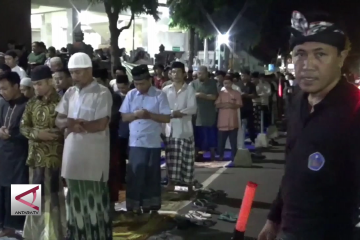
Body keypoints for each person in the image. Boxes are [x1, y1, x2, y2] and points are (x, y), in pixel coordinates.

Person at [258, 10, 360, 240]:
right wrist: (274, 219)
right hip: (290, 230)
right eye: (300, 54)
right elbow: (293, 170)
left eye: (320, 54)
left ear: (341, 58)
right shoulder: (298, 102)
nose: (308, 64)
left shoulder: (354, 111)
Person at [55, 53, 113, 240]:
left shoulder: (102, 92)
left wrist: (75, 125)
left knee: (94, 200)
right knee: (72, 199)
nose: (75, 77)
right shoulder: (69, 93)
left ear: (89, 70)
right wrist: (71, 124)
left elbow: (100, 124)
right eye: (72, 73)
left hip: (92, 156)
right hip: (65, 157)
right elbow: (58, 120)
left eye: (78, 72)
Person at [20, 65, 66, 239]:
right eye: (34, 85)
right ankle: (30, 234)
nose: (36, 88)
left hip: (55, 157)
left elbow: (65, 128)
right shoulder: (31, 103)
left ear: (50, 81)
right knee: (29, 196)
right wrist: (38, 134)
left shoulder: (62, 102)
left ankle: (55, 234)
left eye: (39, 84)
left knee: (53, 197)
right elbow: (23, 127)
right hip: (33, 157)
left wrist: (53, 134)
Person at [120, 64, 171, 215]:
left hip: (153, 142)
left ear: (150, 80)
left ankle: (151, 206)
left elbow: (166, 117)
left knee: (152, 175)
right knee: (136, 174)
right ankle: (134, 206)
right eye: (136, 84)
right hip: (135, 142)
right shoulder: (131, 95)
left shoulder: (159, 95)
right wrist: (136, 115)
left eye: (142, 83)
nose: (139, 86)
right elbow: (124, 117)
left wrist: (149, 115)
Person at [0, 72, 29, 239]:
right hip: (4, 153)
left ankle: (24, 228)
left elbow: (30, 130)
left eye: (5, 88)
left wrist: (12, 134)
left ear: (16, 87)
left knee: (23, 186)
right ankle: (6, 227)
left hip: (23, 153)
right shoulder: (3, 104)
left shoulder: (29, 105)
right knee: (4, 189)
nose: (2, 92)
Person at [163, 61, 197, 191]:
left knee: (187, 161)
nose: (175, 74)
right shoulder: (166, 90)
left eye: (178, 72)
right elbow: (162, 108)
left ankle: (188, 187)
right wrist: (173, 113)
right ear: (170, 74)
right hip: (170, 131)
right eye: (173, 72)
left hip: (185, 131)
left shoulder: (190, 89)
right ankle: (171, 186)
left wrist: (178, 113)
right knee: (171, 161)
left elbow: (193, 109)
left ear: (184, 74)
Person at [191, 66, 218, 160]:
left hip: (209, 114)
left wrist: (203, 96)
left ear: (206, 73)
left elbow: (214, 97)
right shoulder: (193, 84)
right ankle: (196, 155)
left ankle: (213, 155)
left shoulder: (213, 83)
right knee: (197, 136)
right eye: (198, 73)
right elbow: (189, 95)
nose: (200, 75)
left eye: (201, 73)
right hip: (197, 114)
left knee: (211, 136)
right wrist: (196, 95)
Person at [215, 76, 242, 161]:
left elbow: (239, 105)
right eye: (225, 83)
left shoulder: (236, 93)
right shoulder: (220, 93)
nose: (227, 85)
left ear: (231, 83)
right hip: (222, 122)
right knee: (221, 142)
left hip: (233, 122)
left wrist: (228, 105)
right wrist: (228, 105)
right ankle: (220, 156)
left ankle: (234, 157)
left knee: (233, 142)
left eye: (228, 83)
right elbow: (217, 104)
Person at [116, 75, 130, 185]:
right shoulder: (117, 97)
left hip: (132, 132)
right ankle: (122, 179)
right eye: (119, 88)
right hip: (121, 132)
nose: (121, 90)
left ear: (128, 85)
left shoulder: (133, 95)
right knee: (120, 158)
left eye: (123, 88)